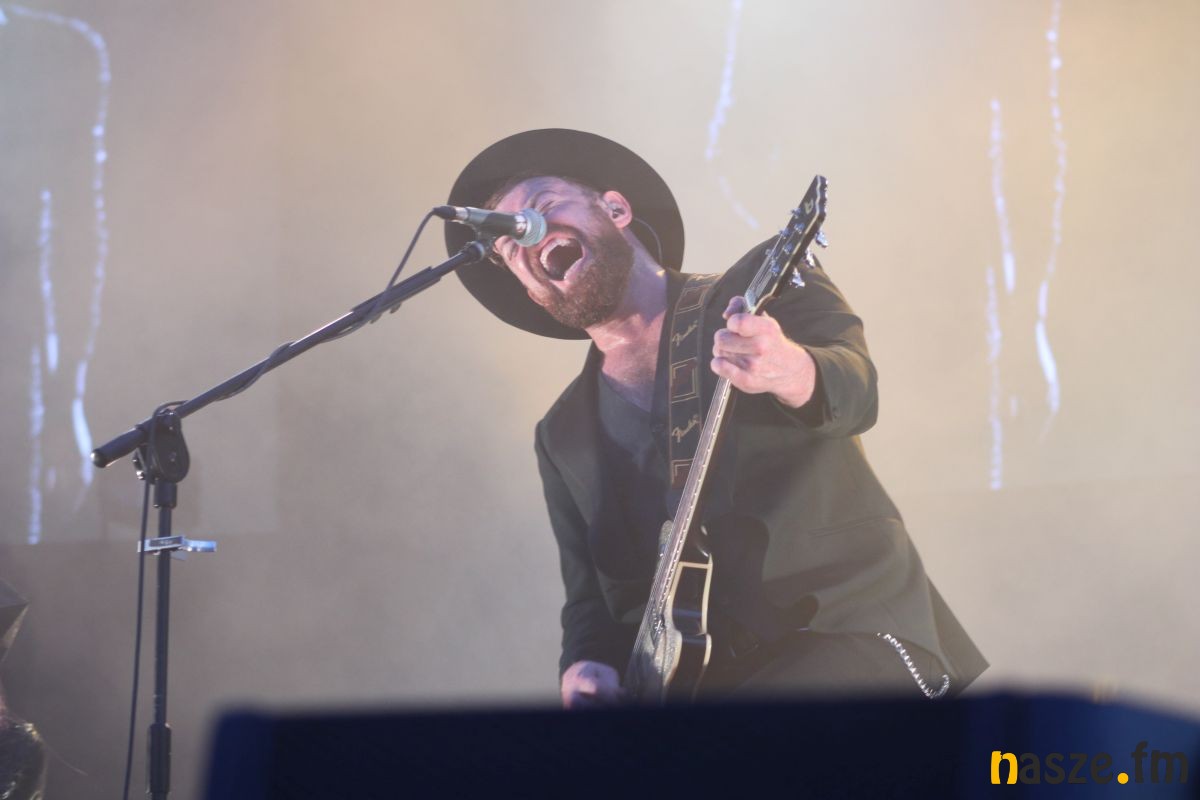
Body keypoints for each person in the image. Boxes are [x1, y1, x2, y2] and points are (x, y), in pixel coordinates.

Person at [443, 129, 987, 708]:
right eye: (508, 247)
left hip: (843, 630)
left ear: (616, 209)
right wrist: (585, 661)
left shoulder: (756, 290)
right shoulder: (561, 434)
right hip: (705, 680)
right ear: (530, 290)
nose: (526, 235)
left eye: (544, 206)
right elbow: (590, 597)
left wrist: (791, 369)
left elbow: (857, 391)